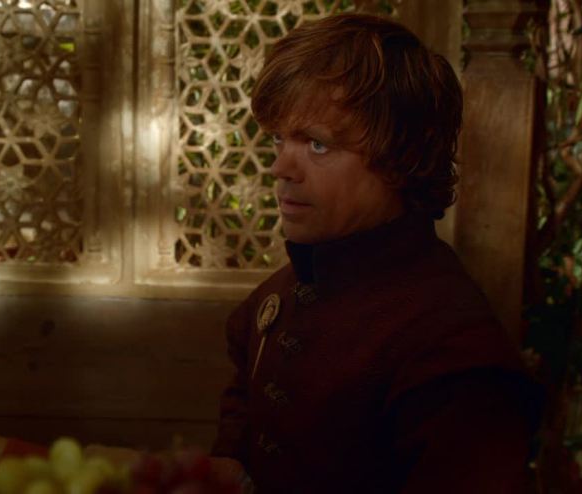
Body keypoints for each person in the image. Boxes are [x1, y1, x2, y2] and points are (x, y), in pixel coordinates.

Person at [211, 13, 540, 494]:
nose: (281, 166)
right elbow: (246, 405)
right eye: (279, 138)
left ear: (400, 158)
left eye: (317, 144)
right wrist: (228, 463)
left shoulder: (451, 348)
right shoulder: (281, 293)